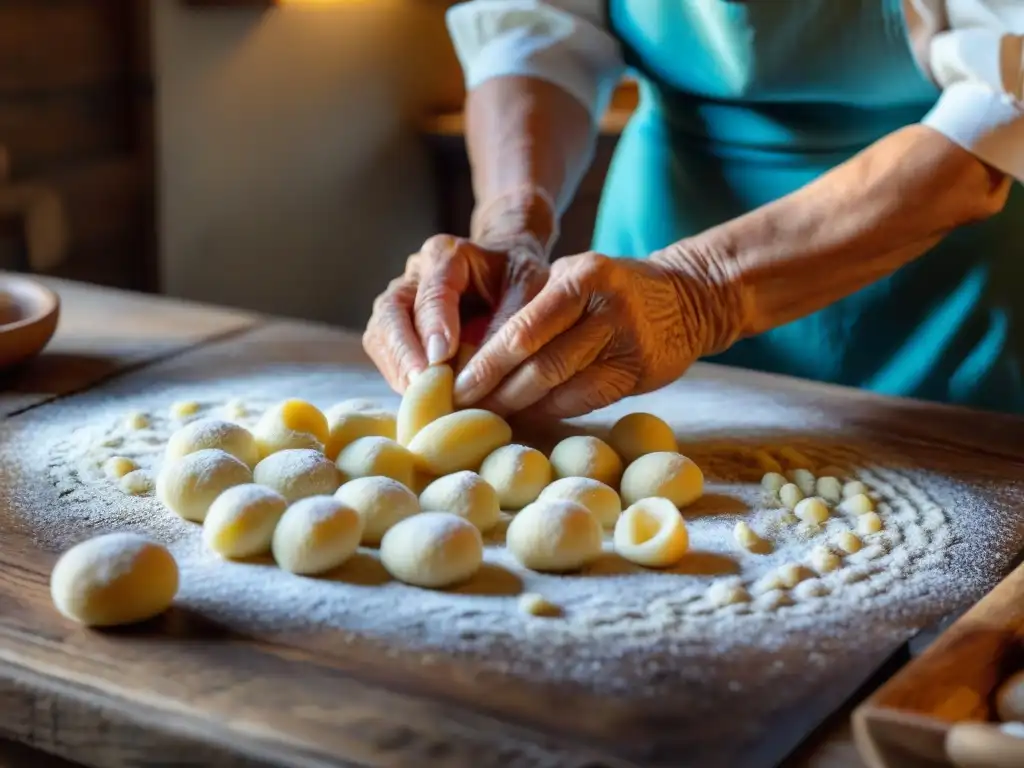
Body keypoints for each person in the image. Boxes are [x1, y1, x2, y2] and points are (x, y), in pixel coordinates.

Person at [363, 0, 1021, 420]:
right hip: (660, 228)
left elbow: (1001, 99)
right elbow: (535, 27)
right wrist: (512, 225)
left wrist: (699, 293)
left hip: (935, 278)